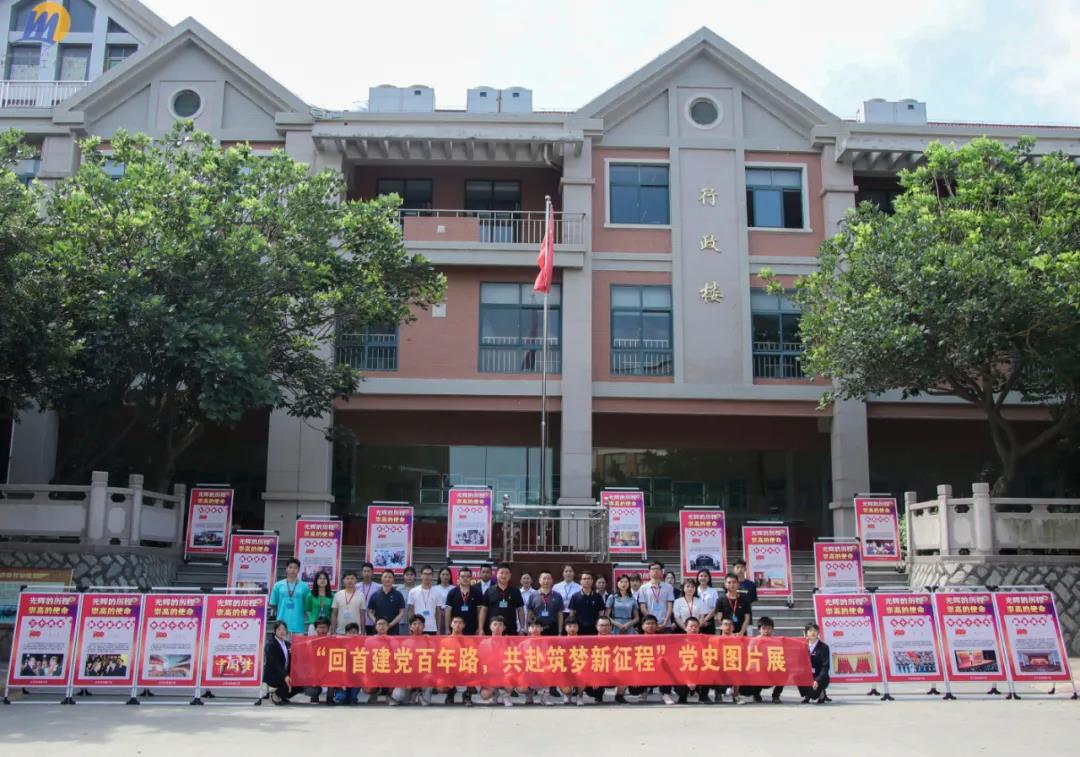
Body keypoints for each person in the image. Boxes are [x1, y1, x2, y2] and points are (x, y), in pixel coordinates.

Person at [627, 615, 675, 704]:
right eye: (648, 623)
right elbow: (632, 659)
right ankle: (643, 692)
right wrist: (635, 676)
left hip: (659, 670)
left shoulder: (663, 639)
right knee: (634, 689)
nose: (650, 626)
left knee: (667, 667)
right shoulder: (636, 640)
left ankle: (665, 694)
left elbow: (668, 656)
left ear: (657, 626)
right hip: (643, 670)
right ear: (642, 626)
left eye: (653, 623)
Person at [391, 616, 433, 705]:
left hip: (424, 674)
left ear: (424, 626)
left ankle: (421, 695)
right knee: (397, 698)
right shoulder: (404, 643)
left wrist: (429, 642)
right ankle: (412, 694)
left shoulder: (429, 641)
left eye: (420, 624)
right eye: (414, 624)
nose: (417, 626)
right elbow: (400, 662)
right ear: (410, 627)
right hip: (409, 674)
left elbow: (434, 659)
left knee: (426, 702)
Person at [740, 617, 784, 703]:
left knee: (784, 671)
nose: (766, 631)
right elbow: (749, 656)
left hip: (771, 671)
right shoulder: (754, 641)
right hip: (757, 671)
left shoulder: (777, 642)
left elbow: (780, 659)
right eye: (764, 628)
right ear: (759, 630)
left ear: (772, 629)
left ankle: (776, 695)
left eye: (769, 628)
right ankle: (756, 694)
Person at [478, 616, 518, 706]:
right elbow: (480, 661)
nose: (497, 627)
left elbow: (515, 660)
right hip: (490, 675)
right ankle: (494, 694)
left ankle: (506, 697)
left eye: (500, 625)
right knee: (485, 695)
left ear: (504, 628)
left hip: (505, 674)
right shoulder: (484, 643)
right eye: (495, 624)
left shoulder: (509, 643)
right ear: (490, 627)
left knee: (512, 677)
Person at [269, 558, 311, 635]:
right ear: (286, 569)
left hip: (298, 625)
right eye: (290, 567)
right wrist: (281, 609)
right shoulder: (278, 585)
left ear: (298, 570)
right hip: (281, 625)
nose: (293, 570)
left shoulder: (305, 586)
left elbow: (308, 605)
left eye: (295, 568)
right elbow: (273, 603)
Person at [480, 563, 525, 635]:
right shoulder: (489, 591)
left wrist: (522, 628)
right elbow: (484, 610)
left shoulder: (515, 591)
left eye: (507, 573)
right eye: (501, 573)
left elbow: (520, 609)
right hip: (493, 630)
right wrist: (481, 628)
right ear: (497, 574)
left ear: (510, 575)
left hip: (510, 628)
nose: (504, 575)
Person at [674, 618, 712, 704]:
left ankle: (703, 697)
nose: (693, 628)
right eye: (691, 626)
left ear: (699, 628)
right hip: (684, 673)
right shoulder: (678, 642)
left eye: (696, 626)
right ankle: (682, 697)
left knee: (709, 668)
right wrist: (687, 679)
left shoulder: (705, 641)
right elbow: (676, 663)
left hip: (699, 673)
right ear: (685, 628)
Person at [586, 617, 622, 703]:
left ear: (611, 627)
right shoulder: (590, 641)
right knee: (591, 690)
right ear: (596, 626)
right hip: (597, 671)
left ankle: (619, 695)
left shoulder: (618, 640)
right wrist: (593, 677)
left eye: (607, 625)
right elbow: (588, 663)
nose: (604, 627)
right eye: (602, 625)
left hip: (613, 672)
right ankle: (599, 694)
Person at [264, 621, 301, 704]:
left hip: (284, 675)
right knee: (289, 681)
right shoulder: (270, 644)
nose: (282, 631)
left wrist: (293, 654)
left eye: (284, 629)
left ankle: (282, 695)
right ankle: (275, 694)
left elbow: (293, 662)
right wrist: (285, 676)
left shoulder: (288, 644)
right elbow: (276, 664)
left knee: (300, 684)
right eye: (279, 629)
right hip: (274, 676)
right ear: (274, 631)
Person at [443, 566, 484, 636]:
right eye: (462, 576)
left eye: (468, 576)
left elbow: (480, 612)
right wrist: (447, 628)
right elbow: (448, 611)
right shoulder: (452, 593)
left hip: (472, 627)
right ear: (458, 578)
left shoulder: (477, 593)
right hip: (456, 627)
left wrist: (480, 628)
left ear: (471, 578)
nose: (465, 579)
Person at [444, 616, 474, 706]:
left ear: (464, 625)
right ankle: (451, 692)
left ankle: (467, 695)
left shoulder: (469, 640)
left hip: (465, 669)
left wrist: (468, 669)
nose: (457, 625)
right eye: (455, 622)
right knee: (441, 687)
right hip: (450, 670)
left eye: (460, 623)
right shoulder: (444, 641)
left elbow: (473, 657)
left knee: (473, 672)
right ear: (451, 624)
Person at [637, 561, 675, 632]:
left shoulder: (668, 587)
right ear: (649, 572)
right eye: (653, 569)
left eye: (658, 569)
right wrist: (652, 622)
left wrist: (665, 622)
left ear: (661, 571)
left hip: (666, 624)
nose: (655, 571)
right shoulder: (643, 588)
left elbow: (670, 607)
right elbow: (643, 608)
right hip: (650, 626)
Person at [799, 622, 830, 704]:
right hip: (807, 675)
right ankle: (807, 695)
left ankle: (821, 693)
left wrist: (817, 680)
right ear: (806, 633)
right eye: (810, 631)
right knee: (797, 676)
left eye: (815, 630)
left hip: (819, 675)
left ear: (818, 632)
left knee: (815, 692)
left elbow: (825, 667)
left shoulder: (824, 647)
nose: (813, 633)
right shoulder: (803, 646)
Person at [367, 569, 406, 635]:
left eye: (390, 577)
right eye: (385, 577)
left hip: (393, 629)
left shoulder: (398, 595)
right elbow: (369, 612)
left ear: (393, 580)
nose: (387, 579)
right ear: (381, 579)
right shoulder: (375, 595)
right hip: (378, 631)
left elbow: (401, 613)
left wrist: (390, 625)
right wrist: (377, 623)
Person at [332, 623, 363, 705]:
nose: (352, 634)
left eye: (354, 632)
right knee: (341, 699)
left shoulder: (361, 646)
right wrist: (342, 681)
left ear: (358, 633)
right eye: (349, 632)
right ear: (345, 634)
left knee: (352, 700)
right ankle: (338, 695)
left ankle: (353, 697)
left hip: (355, 676)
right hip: (342, 677)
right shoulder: (340, 645)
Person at [567, 570, 606, 635]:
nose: (586, 581)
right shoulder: (575, 597)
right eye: (584, 579)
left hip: (595, 629)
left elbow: (601, 614)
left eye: (588, 578)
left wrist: (600, 628)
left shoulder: (598, 596)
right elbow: (571, 615)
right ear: (580, 581)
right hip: (579, 629)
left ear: (592, 581)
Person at [527, 569, 564, 636]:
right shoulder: (533, 595)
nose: (546, 581)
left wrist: (560, 632)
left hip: (553, 628)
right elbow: (529, 614)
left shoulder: (557, 596)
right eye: (544, 578)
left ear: (552, 581)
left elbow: (560, 614)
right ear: (539, 580)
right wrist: (529, 631)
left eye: (548, 579)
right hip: (537, 629)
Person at [363, 619, 392, 704]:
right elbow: (366, 657)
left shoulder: (393, 640)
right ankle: (374, 693)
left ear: (388, 627)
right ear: (375, 627)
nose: (381, 626)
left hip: (389, 668)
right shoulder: (369, 640)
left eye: (384, 624)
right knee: (368, 686)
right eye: (379, 624)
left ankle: (389, 695)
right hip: (373, 668)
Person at [306, 617, 333, 703]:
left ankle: (330, 697)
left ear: (328, 628)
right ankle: (314, 695)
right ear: (315, 628)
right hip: (314, 670)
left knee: (334, 672)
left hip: (328, 668)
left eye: (324, 627)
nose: (322, 630)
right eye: (320, 627)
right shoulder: (310, 642)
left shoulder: (333, 641)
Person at [407, 565, 440, 635]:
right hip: (417, 628)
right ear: (421, 575)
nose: (427, 576)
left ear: (432, 576)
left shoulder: (437, 592)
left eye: (429, 574)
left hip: (432, 628)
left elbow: (438, 612)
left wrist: (438, 628)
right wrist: (410, 627)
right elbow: (410, 611)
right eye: (425, 574)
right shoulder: (413, 591)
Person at [331, 570, 365, 635]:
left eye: (352, 578)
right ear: (343, 580)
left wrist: (363, 630)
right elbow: (334, 614)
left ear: (356, 580)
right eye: (347, 578)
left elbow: (362, 615)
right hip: (340, 631)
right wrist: (333, 630)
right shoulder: (337, 594)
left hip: (356, 632)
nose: (350, 580)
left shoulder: (361, 595)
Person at [696, 569, 719, 634]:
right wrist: (700, 621)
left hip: (709, 619)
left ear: (709, 578)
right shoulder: (694, 590)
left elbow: (715, 607)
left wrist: (705, 620)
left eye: (705, 576)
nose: (703, 578)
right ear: (698, 578)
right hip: (696, 619)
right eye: (701, 576)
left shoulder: (713, 591)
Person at [358, 562, 378, 635]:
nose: (366, 573)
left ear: (372, 573)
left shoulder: (378, 587)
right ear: (361, 573)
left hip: (373, 621)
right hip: (359, 621)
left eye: (369, 571)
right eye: (365, 571)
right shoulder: (356, 587)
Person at [397, 566, 417, 635]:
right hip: (402, 621)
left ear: (415, 577)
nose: (409, 577)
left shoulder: (418, 589)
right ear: (403, 576)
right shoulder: (398, 590)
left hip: (416, 622)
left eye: (411, 575)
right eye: (407, 575)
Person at [434, 567, 454, 631]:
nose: (445, 576)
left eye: (447, 575)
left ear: (450, 576)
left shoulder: (454, 588)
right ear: (439, 576)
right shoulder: (434, 588)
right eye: (443, 574)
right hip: (438, 613)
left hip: (450, 613)